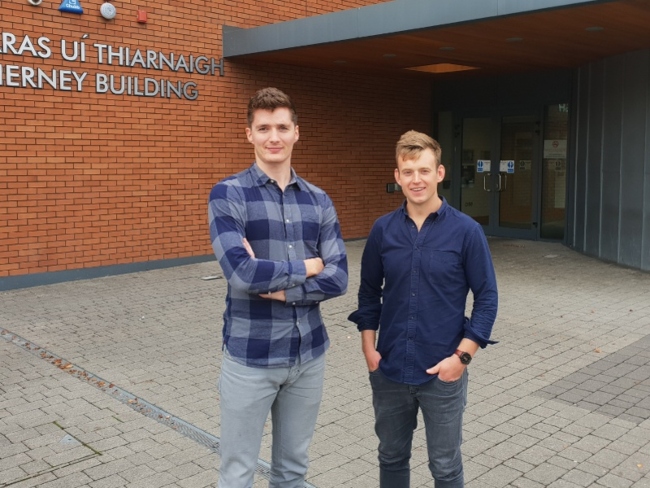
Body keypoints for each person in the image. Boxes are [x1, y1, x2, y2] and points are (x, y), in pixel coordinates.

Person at [208, 87, 348, 488]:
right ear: (248, 134)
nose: (274, 136)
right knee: (237, 473)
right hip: (250, 357)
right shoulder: (229, 195)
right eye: (264, 127)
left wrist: (284, 288)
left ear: (296, 132)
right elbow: (242, 274)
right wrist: (308, 265)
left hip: (308, 356)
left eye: (282, 127)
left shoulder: (318, 201)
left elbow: (339, 277)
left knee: (293, 473)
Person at [348, 130, 498, 487]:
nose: (417, 180)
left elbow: (487, 298)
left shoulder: (466, 231)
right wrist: (369, 348)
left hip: (442, 372)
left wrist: (461, 359)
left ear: (440, 173)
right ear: (398, 176)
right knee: (391, 457)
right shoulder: (382, 231)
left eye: (424, 171)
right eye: (409, 172)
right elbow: (369, 293)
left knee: (445, 467)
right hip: (389, 369)